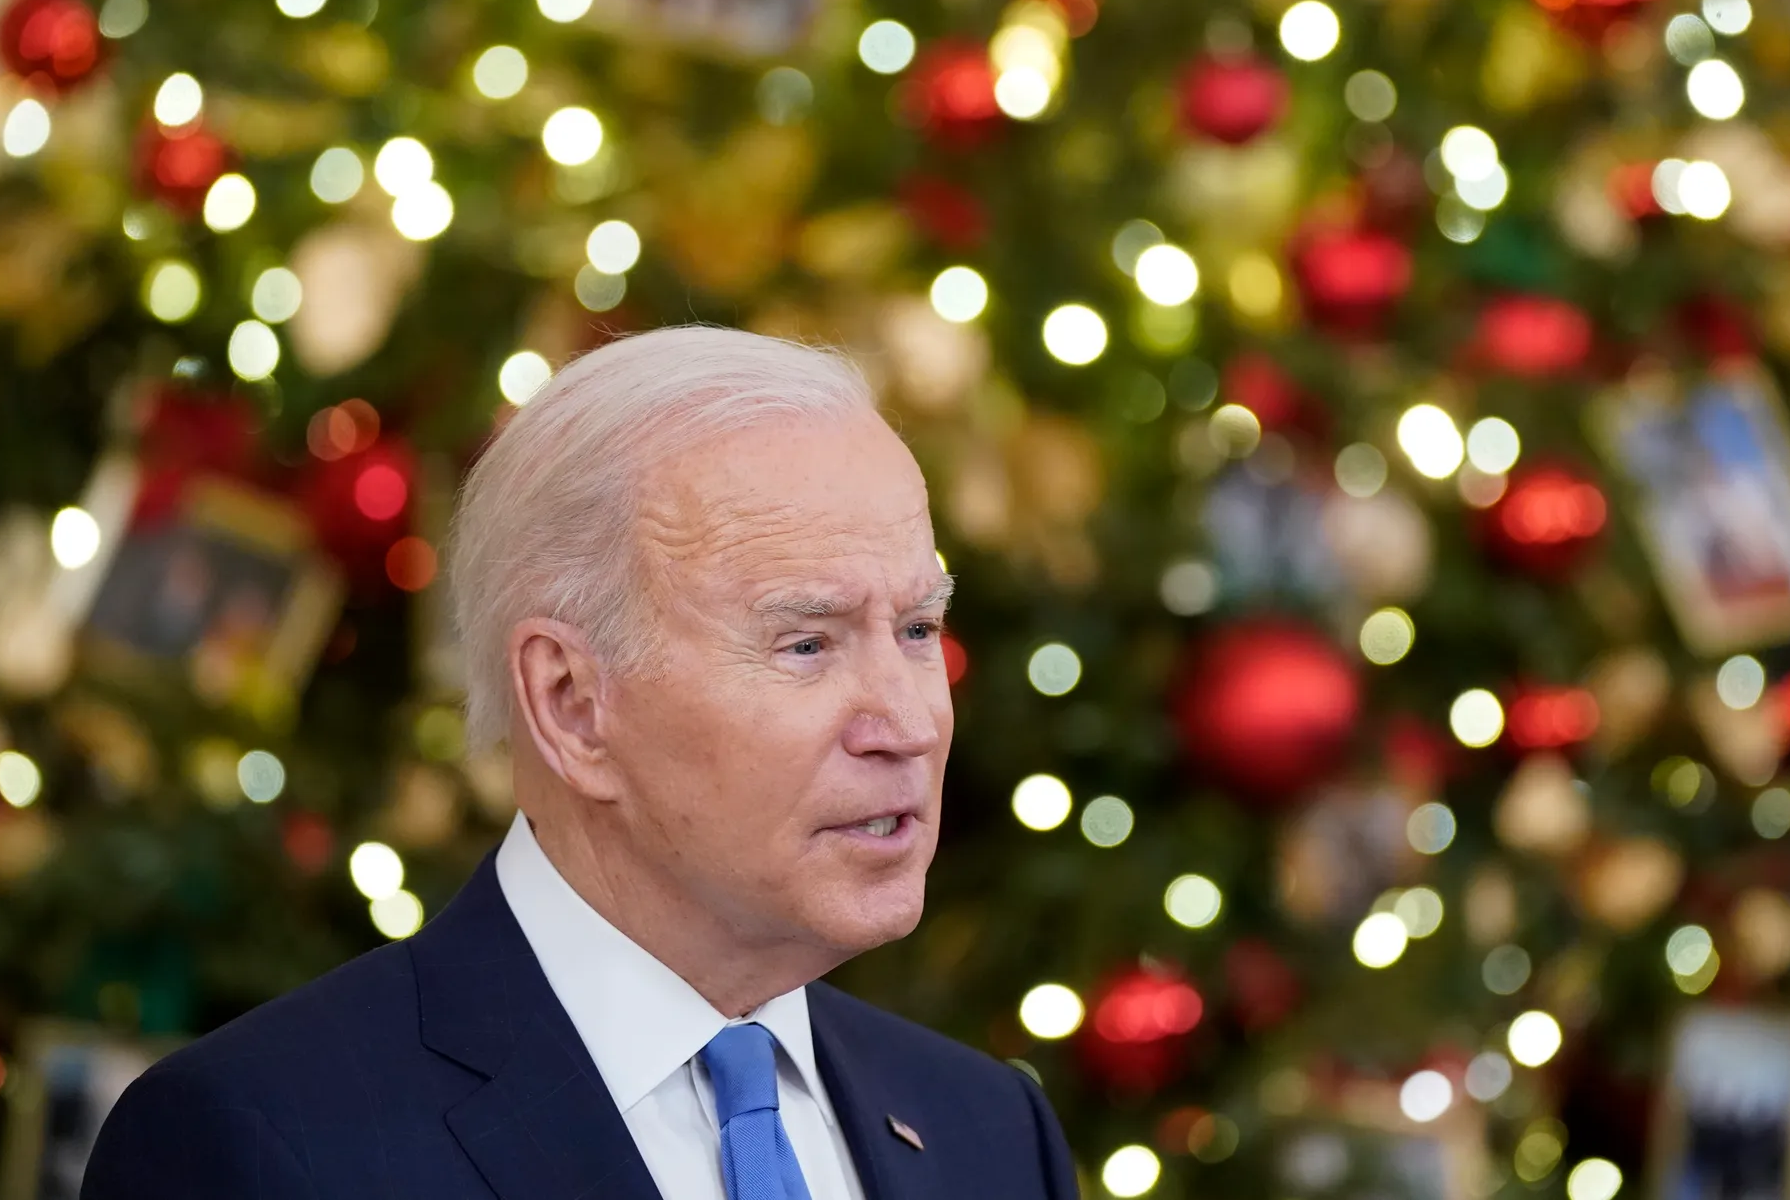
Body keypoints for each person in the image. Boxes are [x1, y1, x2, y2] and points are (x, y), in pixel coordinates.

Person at [82, 327, 1079, 1200]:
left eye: (915, 628)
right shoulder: (257, 1146)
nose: (906, 721)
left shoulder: (988, 1129)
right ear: (570, 703)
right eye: (805, 644)